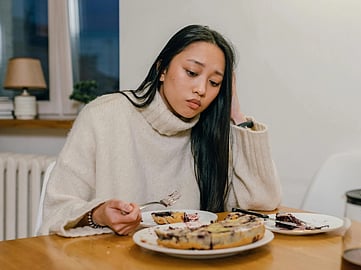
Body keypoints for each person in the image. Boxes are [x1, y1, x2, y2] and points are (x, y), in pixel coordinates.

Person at [38, 24, 282, 237]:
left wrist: (237, 115)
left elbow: (263, 202)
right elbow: (56, 211)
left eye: (214, 82)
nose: (201, 89)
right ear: (162, 69)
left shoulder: (211, 133)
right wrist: (98, 214)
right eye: (192, 73)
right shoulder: (104, 115)